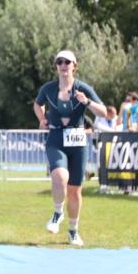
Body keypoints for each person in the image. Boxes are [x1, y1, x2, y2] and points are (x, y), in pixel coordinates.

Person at [33, 50, 106, 247]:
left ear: (75, 66)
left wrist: (87, 102)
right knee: (59, 177)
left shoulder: (83, 88)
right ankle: (58, 212)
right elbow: (37, 104)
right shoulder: (48, 88)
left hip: (78, 142)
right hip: (56, 138)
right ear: (56, 66)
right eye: (60, 62)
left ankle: (73, 231)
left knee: (74, 191)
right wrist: (42, 118)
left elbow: (104, 112)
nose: (63, 65)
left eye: (67, 62)